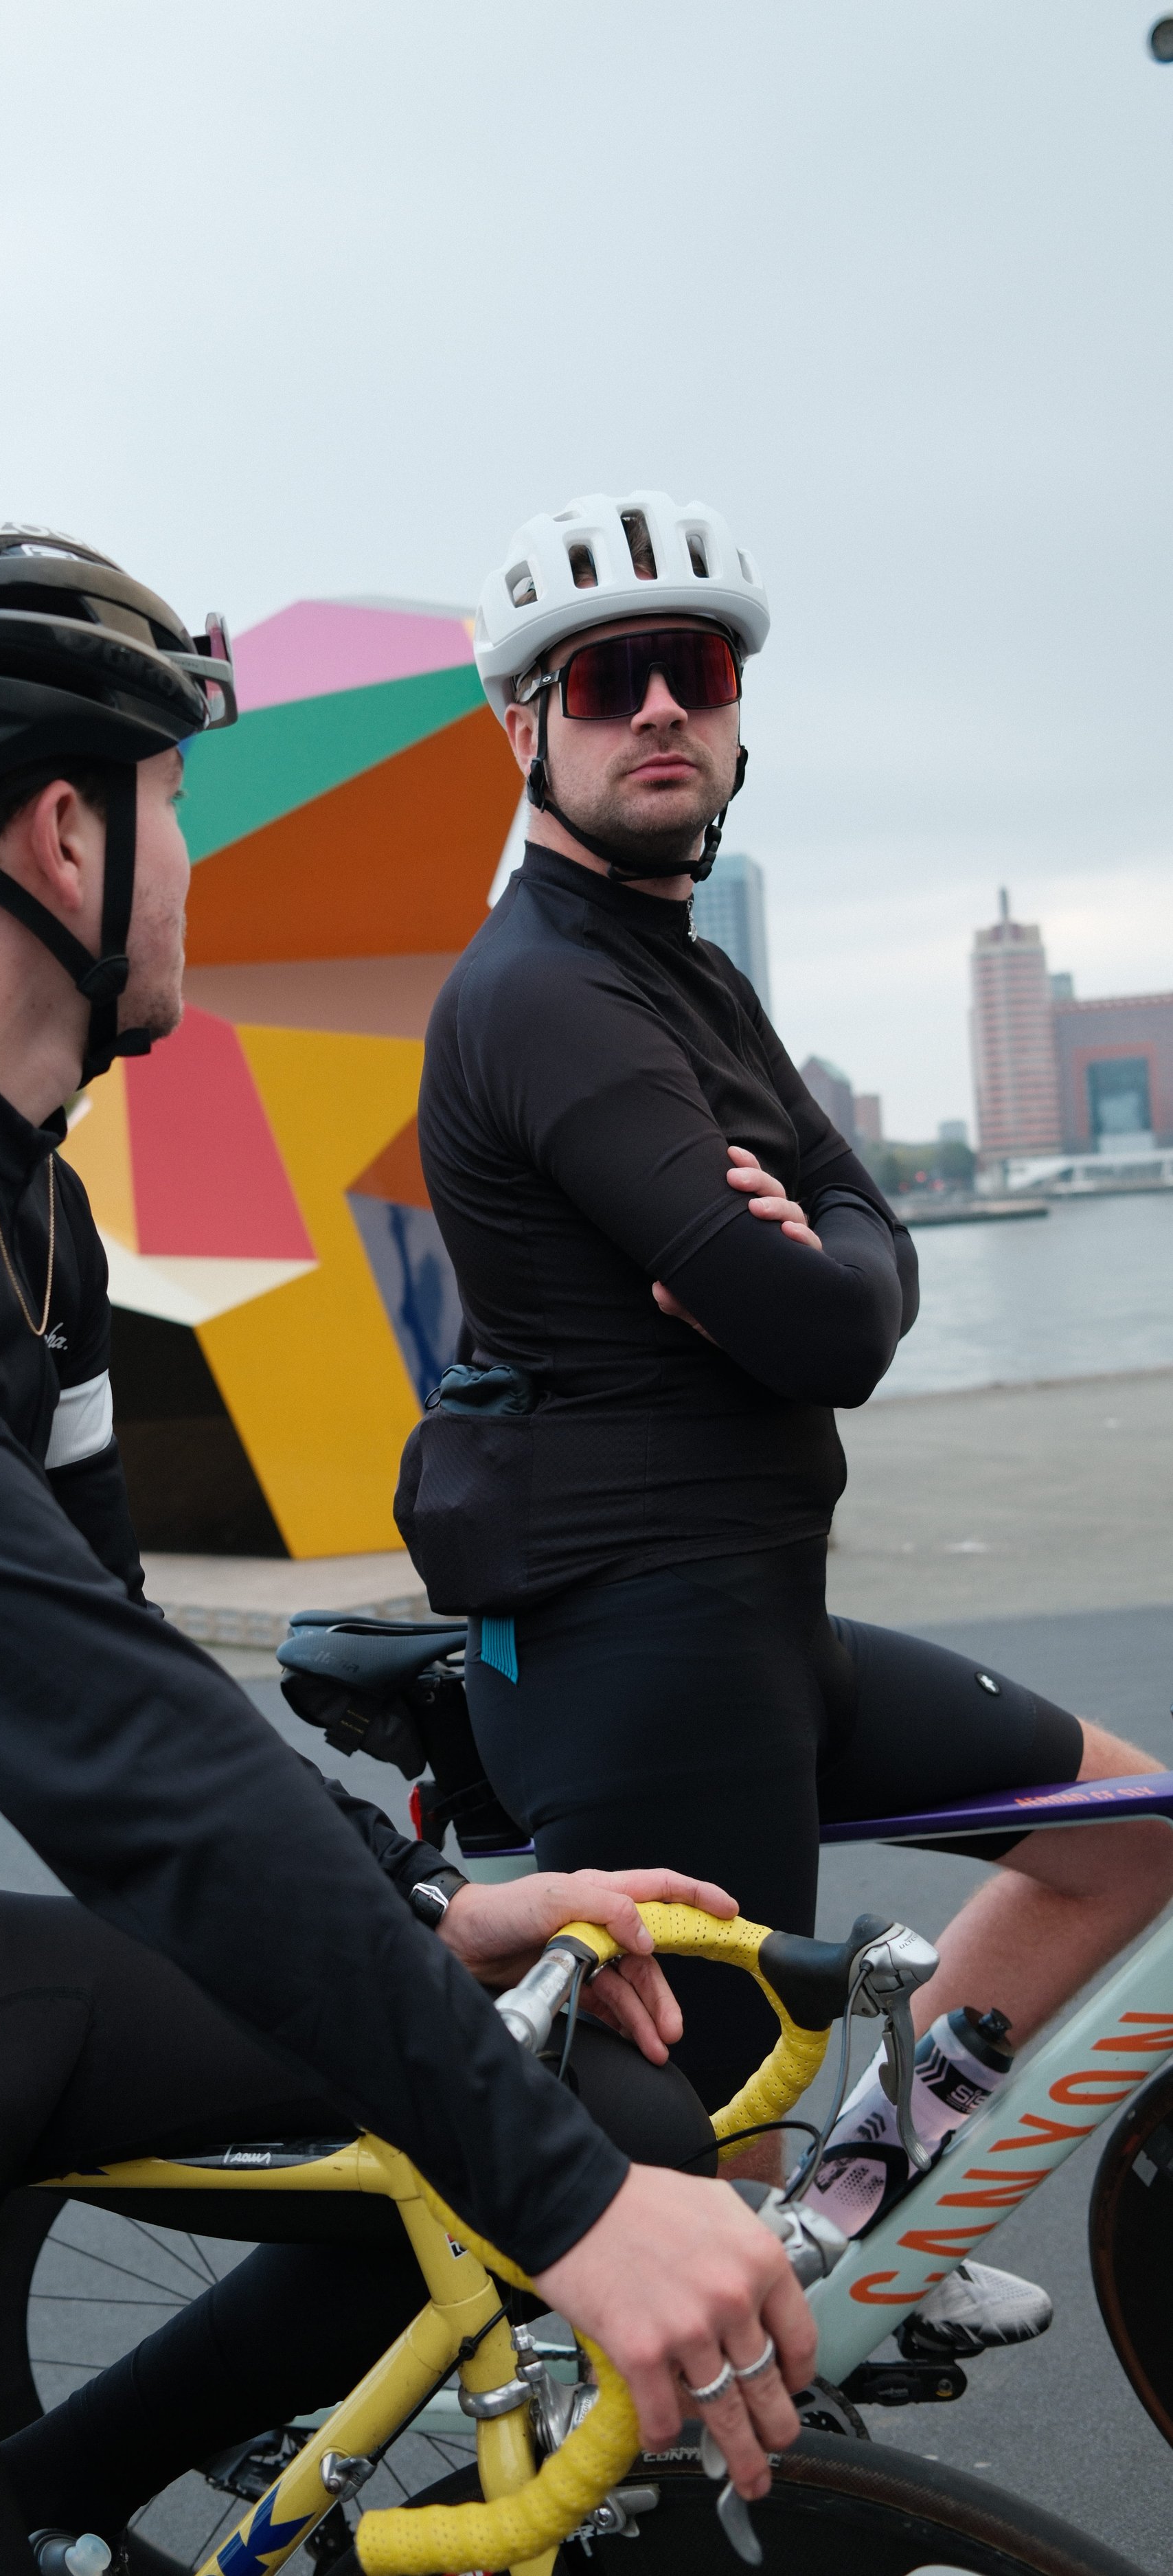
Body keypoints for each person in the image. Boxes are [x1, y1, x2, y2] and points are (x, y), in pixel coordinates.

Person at [0, 525, 817, 2576]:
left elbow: (110, 1639)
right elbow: (87, 1735)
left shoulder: (31, 1215)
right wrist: (566, 2218)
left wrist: (426, 1913)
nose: (196, 865)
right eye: (178, 806)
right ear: (66, 842)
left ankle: (52, 2517)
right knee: (559, 2167)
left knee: (614, 2109)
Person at [405, 487, 1173, 2319]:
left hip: (755, 1620)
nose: (657, 709)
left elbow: (859, 1264)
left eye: (692, 670)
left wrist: (824, 1247)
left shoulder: (682, 974)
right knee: (691, 2212)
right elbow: (824, 1330)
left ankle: (861, 2226)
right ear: (526, 729)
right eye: (606, 682)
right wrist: (813, 1267)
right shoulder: (544, 1002)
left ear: (736, 712)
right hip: (644, 1655)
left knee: (1122, 1833)